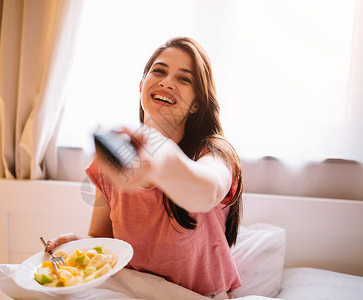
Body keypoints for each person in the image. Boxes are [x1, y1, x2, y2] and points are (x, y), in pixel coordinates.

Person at [46, 37, 243, 299]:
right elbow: (104, 241)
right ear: (141, 86)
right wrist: (80, 246)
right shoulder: (108, 166)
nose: (167, 82)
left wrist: (158, 162)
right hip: (132, 288)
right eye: (159, 71)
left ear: (196, 104)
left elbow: (207, 190)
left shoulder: (216, 153)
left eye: (184, 79)